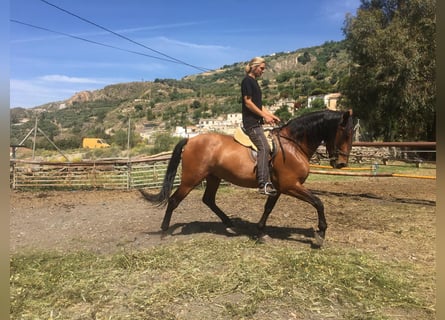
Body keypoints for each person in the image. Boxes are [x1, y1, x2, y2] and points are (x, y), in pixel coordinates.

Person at [241, 57, 281, 196]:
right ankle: (263, 183)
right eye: (261, 68)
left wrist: (270, 114)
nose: (263, 71)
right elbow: (248, 103)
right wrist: (264, 116)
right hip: (251, 123)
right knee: (264, 147)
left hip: (257, 122)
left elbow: (259, 105)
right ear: (254, 67)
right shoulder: (247, 81)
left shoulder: (254, 83)